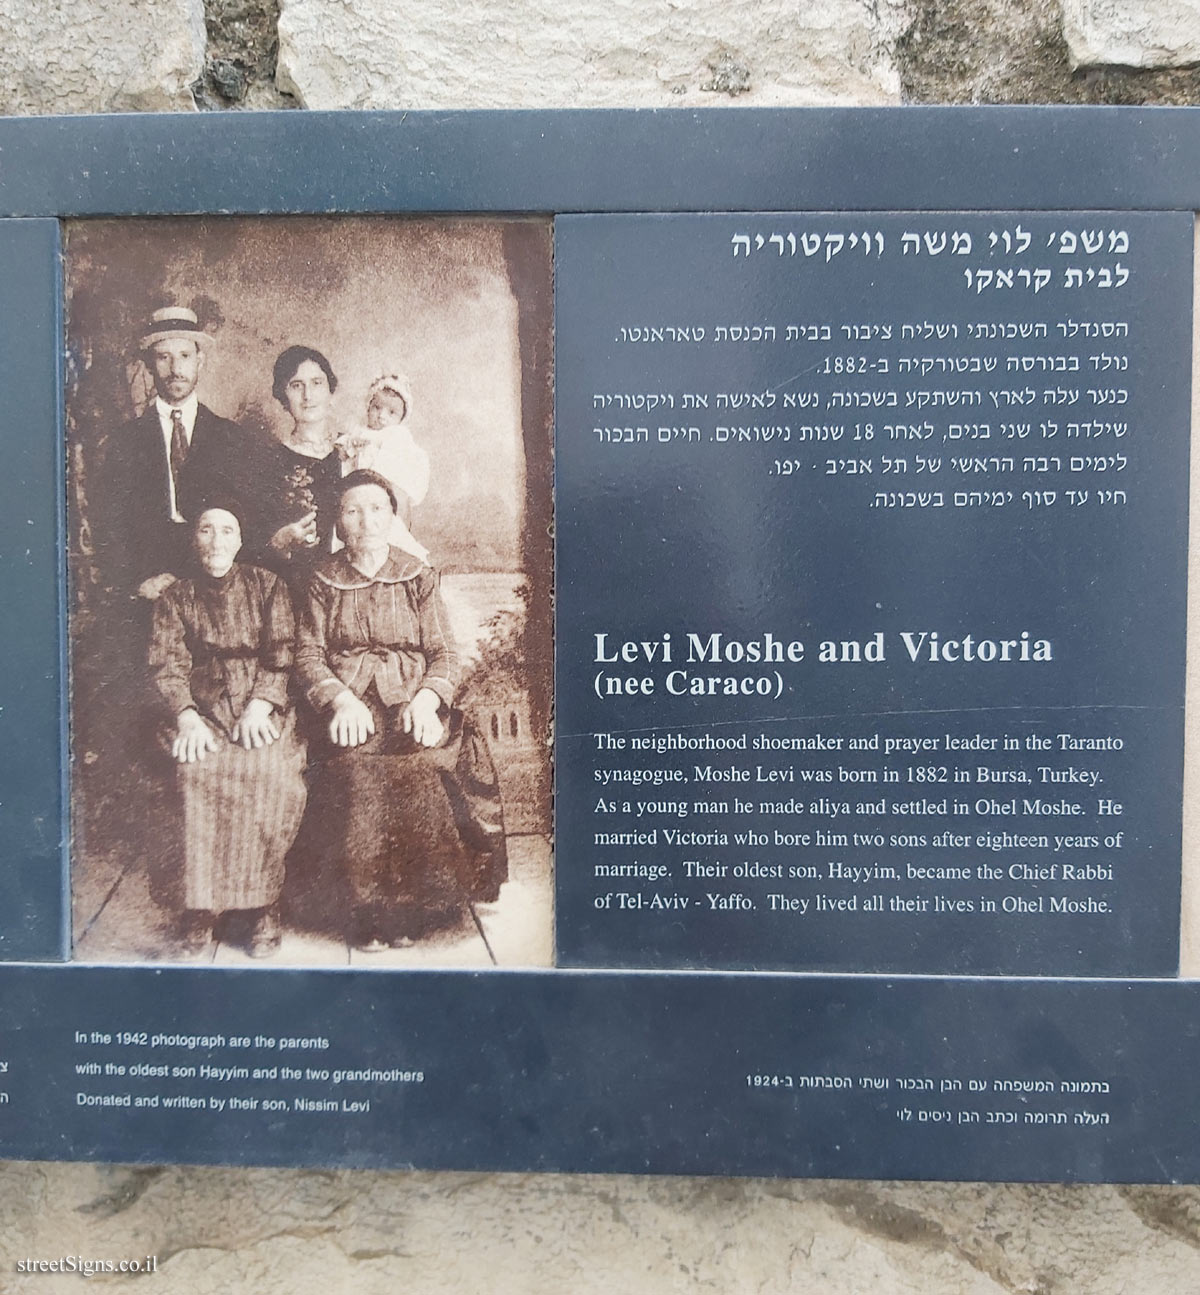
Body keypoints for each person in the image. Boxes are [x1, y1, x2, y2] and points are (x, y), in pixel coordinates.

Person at [295, 470, 507, 952]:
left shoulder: (418, 575)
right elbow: (307, 653)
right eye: (352, 510)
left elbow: (445, 653)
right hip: (349, 703)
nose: (365, 520)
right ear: (338, 521)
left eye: (376, 508)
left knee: (418, 768)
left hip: (413, 699)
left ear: (392, 516)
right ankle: (365, 906)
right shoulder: (322, 579)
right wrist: (340, 699)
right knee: (353, 770)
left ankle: (411, 903)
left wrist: (429, 700)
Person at [149, 504, 307, 958]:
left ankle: (261, 906)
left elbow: (281, 653)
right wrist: (185, 714)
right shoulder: (174, 598)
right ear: (193, 539)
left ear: (240, 540)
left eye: (227, 531)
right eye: (206, 530)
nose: (217, 541)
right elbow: (166, 664)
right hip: (201, 708)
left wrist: (260, 707)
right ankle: (201, 910)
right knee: (195, 773)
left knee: (269, 774)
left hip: (260, 704)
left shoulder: (268, 585)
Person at [92, 305, 243, 600]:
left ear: (201, 361)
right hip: (150, 583)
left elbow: (244, 517)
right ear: (149, 365)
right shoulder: (124, 441)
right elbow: (109, 523)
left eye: (185, 356)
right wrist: (137, 583)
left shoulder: (230, 437)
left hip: (219, 584)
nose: (175, 369)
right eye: (164, 357)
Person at [238, 345, 344, 585]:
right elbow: (251, 548)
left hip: (353, 586)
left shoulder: (354, 450)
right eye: (297, 386)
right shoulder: (268, 463)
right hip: (295, 588)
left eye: (317, 383)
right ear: (283, 397)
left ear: (331, 392)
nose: (308, 396)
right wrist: (278, 542)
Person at [334, 371, 430, 561]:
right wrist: (348, 448)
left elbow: (401, 463)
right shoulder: (359, 431)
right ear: (368, 406)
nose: (381, 416)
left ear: (401, 417)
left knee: (391, 534)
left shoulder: (397, 435)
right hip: (356, 488)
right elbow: (341, 450)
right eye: (376, 408)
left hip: (382, 487)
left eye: (391, 412)